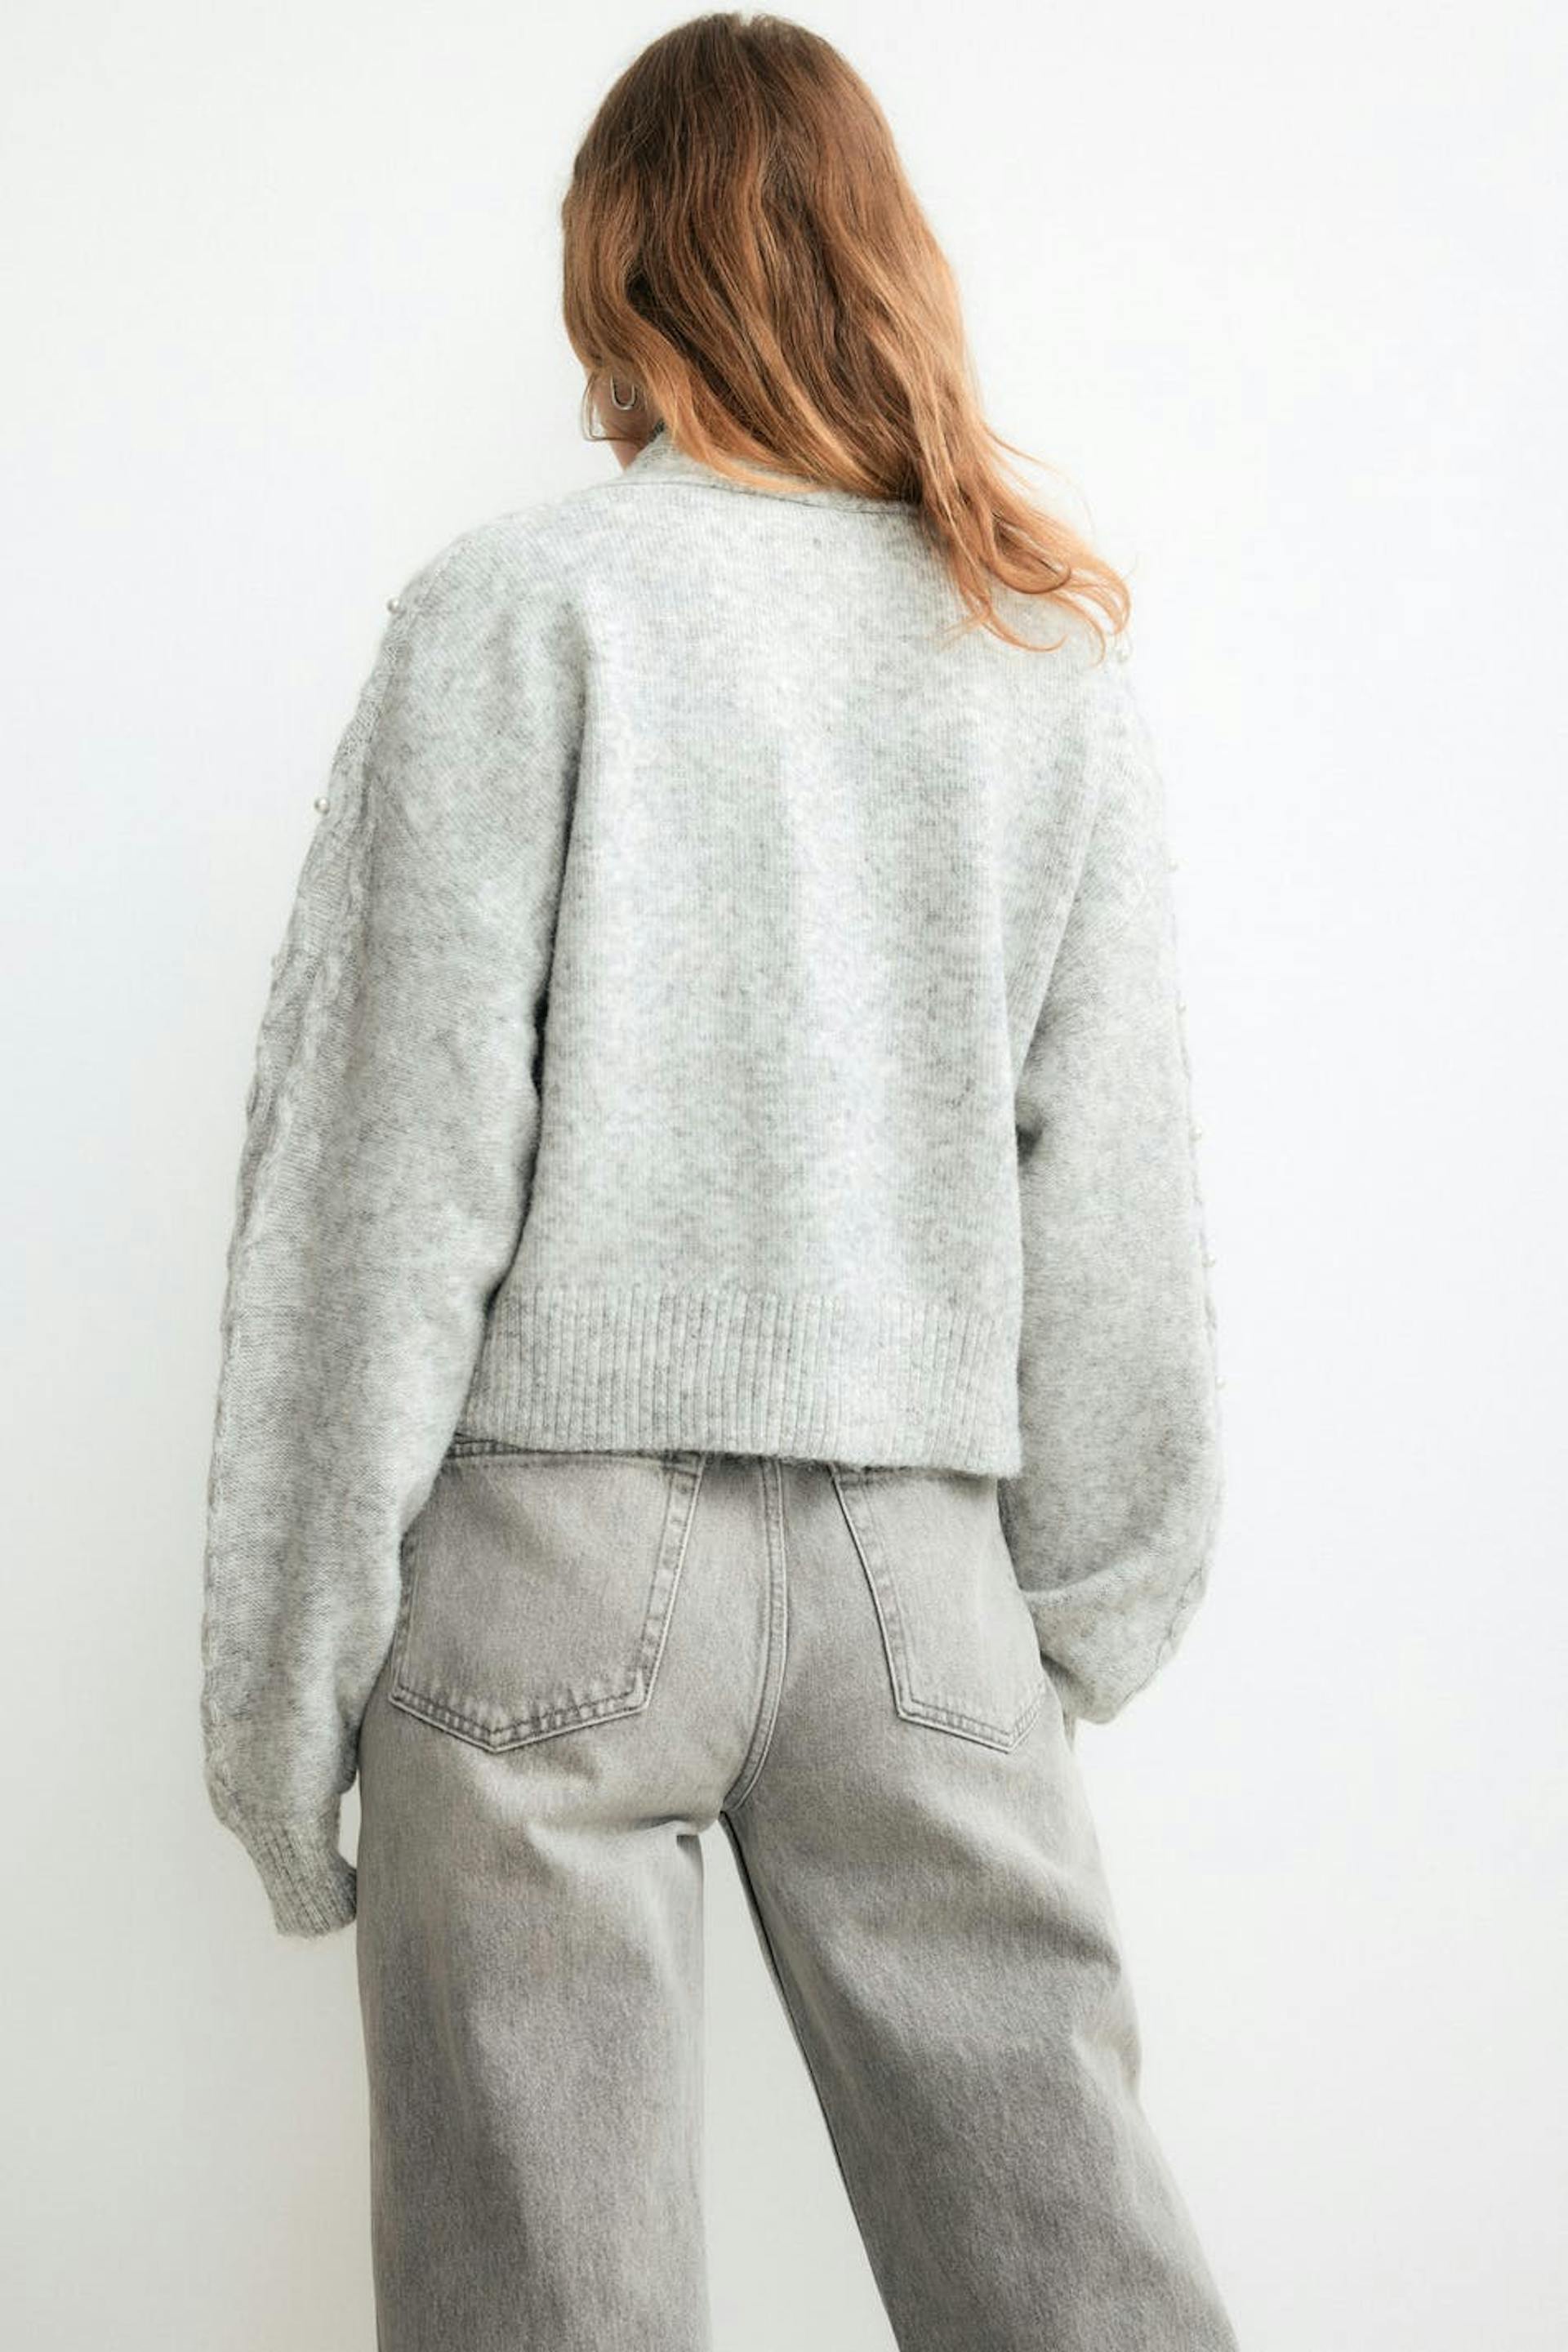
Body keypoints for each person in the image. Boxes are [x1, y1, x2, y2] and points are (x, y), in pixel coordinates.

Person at [199, 13, 1237, 2349]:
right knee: (1080, 2294)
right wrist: (1064, 1624)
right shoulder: (1034, 657)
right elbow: (1113, 1202)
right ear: (886, 258)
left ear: (617, 274)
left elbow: (385, 1180)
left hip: (545, 1566)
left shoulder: (519, 610)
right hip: (922, 1583)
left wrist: (283, 1705)